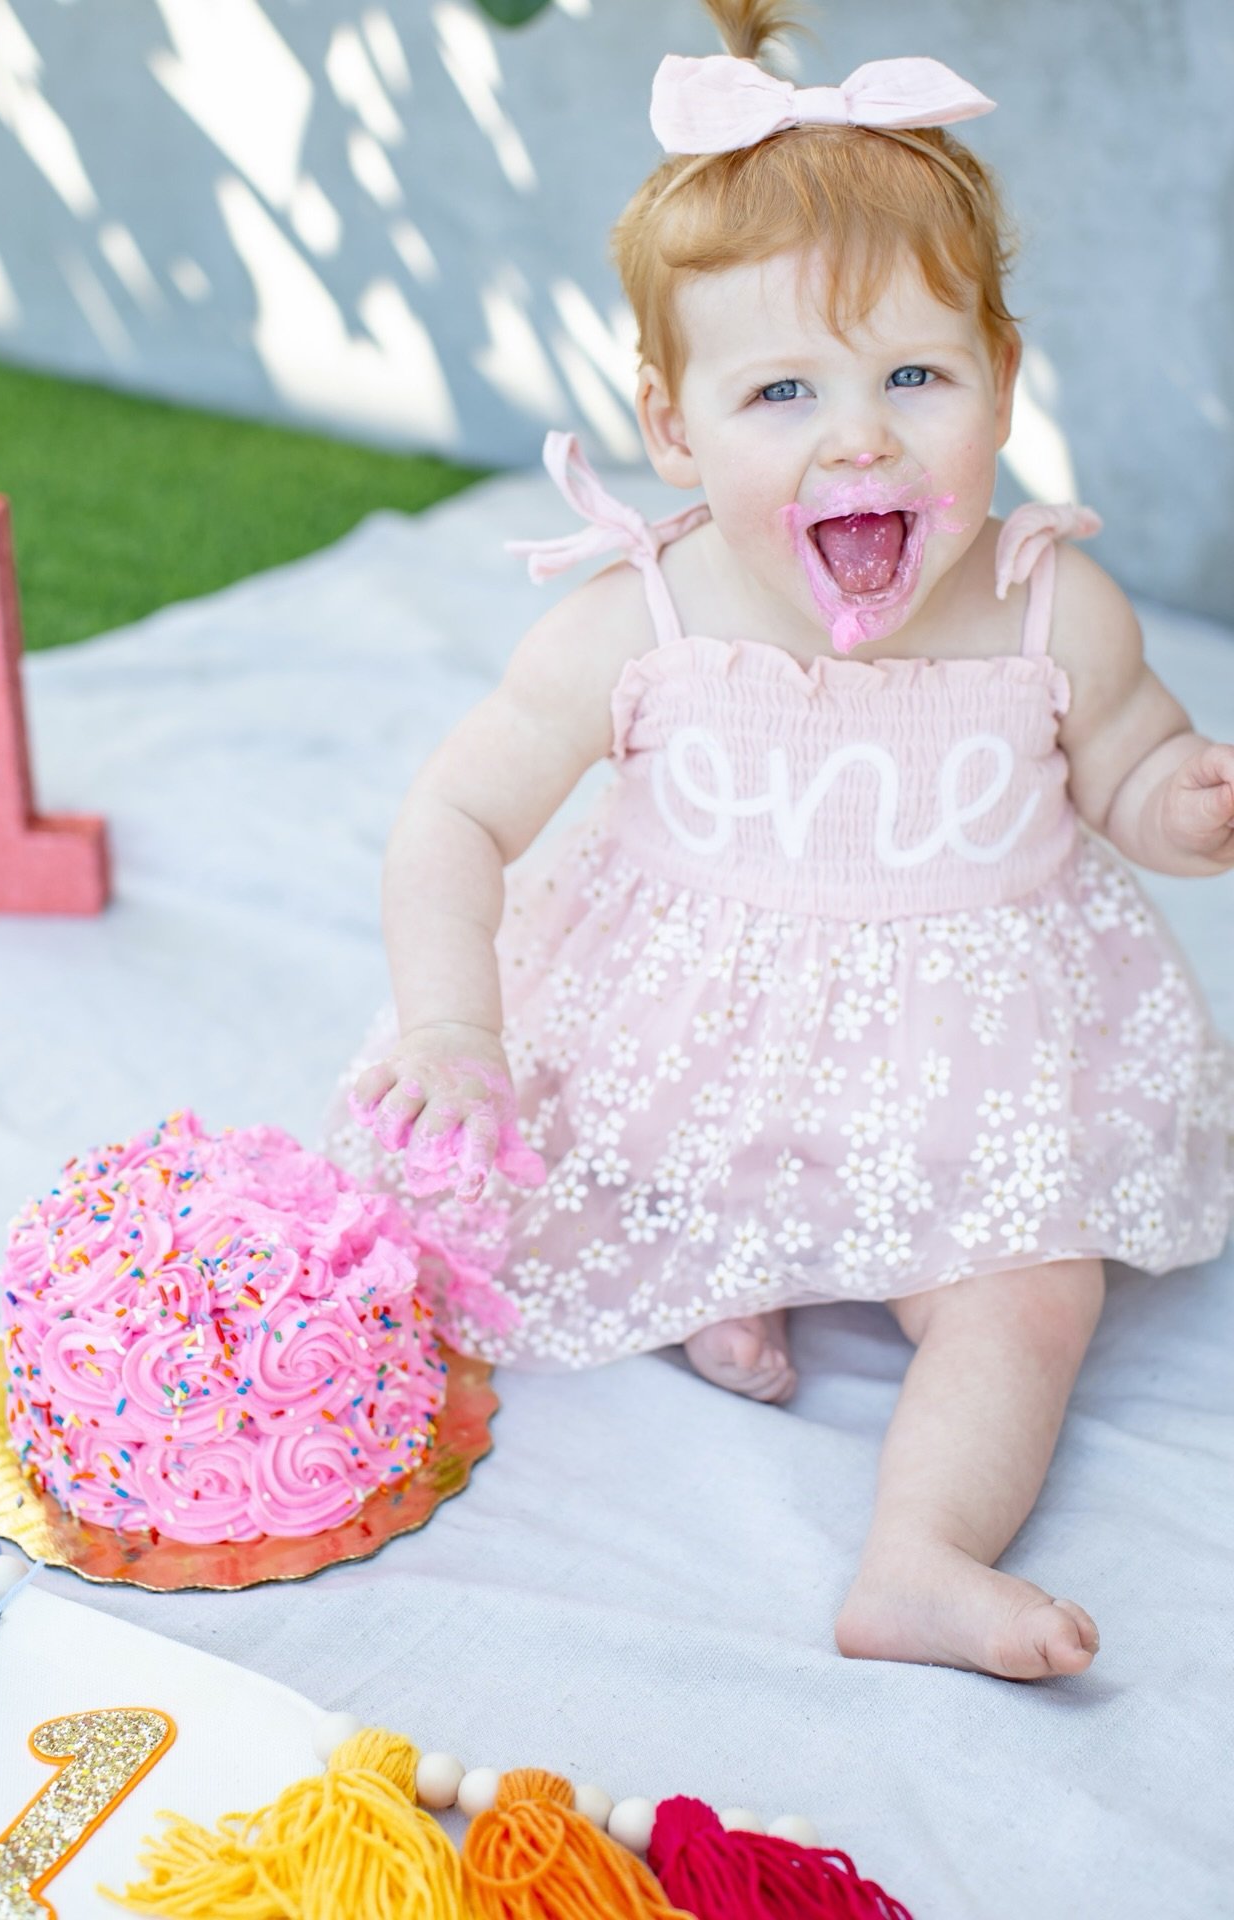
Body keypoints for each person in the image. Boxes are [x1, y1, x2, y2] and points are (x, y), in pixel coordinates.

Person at [317, 0, 1234, 1680]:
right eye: (782, 391)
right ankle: (724, 1269)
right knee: (629, 1185)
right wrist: (454, 1024)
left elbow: (1127, 763)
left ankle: (922, 1554)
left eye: (916, 376)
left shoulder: (1048, 607)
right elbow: (457, 809)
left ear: (1004, 384)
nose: (859, 435)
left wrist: (1186, 801)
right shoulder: (648, 620)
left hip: (976, 1078)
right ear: (674, 425)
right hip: (701, 1067)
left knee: (1036, 1295)